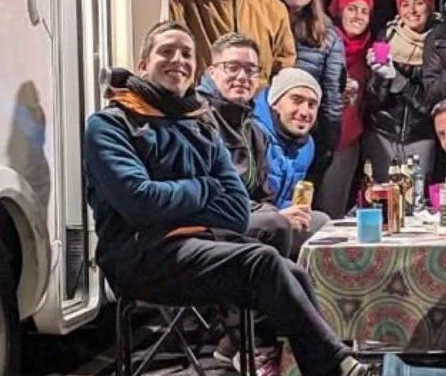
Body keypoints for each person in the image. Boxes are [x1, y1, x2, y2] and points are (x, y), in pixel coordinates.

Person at [84, 21, 372, 376]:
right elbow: (140, 202)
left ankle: (326, 362)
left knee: (290, 269)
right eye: (166, 52)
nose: (178, 60)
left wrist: (177, 199)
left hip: (198, 240)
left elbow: (235, 209)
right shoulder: (110, 125)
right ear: (143, 64)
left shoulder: (198, 124)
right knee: (262, 258)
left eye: (186, 53)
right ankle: (333, 365)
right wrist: (204, 188)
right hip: (138, 255)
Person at [197, 33, 300, 258]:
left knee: (319, 223)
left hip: (249, 213)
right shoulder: (198, 119)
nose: (242, 77)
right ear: (212, 72)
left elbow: (264, 194)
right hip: (209, 220)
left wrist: (276, 211)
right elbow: (211, 192)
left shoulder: (254, 130)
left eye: (251, 70)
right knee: (275, 225)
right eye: (232, 67)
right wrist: (273, 215)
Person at [273, 0, 346, 178]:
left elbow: (332, 92)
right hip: (267, 129)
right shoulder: (264, 22)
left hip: (306, 133)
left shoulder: (328, 35)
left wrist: (329, 141)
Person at [363, 0, 439, 182]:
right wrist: (380, 77)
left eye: (419, 3)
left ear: (429, 6)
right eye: (405, 4)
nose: (412, 11)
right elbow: (373, 101)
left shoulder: (440, 42)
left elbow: (431, 104)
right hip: (382, 135)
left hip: (421, 137)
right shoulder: (386, 37)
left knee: (415, 196)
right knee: (380, 195)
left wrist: (398, 79)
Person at [252, 67, 330, 255]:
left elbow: (289, 199)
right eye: (296, 100)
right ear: (275, 103)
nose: (304, 112)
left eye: (312, 105)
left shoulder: (307, 145)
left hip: (280, 219)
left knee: (323, 224)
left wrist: (295, 214)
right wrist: (276, 217)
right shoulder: (253, 133)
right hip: (252, 222)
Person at [317, 0, 374, 218]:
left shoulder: (372, 50)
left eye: (364, 11)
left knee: (335, 209)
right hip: (318, 137)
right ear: (340, 12)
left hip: (349, 140)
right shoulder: (323, 41)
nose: (358, 16)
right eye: (352, 8)